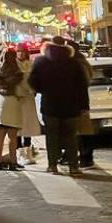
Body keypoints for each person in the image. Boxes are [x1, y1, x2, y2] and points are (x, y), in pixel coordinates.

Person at [29, 35, 89, 176]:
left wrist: (43, 90)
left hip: (50, 105)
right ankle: (73, 166)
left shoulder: (40, 62)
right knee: (71, 137)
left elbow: (32, 82)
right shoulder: (74, 63)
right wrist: (84, 106)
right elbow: (82, 86)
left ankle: (52, 165)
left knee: (51, 137)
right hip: (71, 106)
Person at [0, 48, 29, 170]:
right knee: (12, 136)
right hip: (12, 102)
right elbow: (23, 89)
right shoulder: (17, 72)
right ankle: (12, 162)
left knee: (0, 134)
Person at [68, 41, 95, 168]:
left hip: (78, 101)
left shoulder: (76, 63)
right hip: (81, 101)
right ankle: (86, 157)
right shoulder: (81, 61)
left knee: (80, 131)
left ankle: (85, 157)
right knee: (83, 130)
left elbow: (83, 84)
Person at [16, 46, 41, 165]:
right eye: (18, 51)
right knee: (17, 126)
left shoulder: (31, 64)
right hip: (17, 99)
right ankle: (19, 152)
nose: (20, 54)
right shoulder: (13, 65)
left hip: (29, 98)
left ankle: (28, 151)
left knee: (28, 126)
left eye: (22, 52)